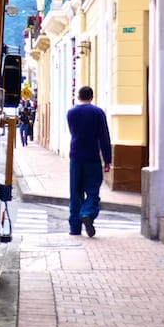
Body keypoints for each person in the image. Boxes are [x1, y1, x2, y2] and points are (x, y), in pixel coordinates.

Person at [66, 86, 112, 237]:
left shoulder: (71, 113)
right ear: (92, 97)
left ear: (78, 97)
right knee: (92, 192)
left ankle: (74, 228)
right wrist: (107, 160)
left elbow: (74, 132)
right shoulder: (98, 113)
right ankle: (87, 213)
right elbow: (104, 137)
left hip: (75, 157)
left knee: (75, 193)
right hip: (92, 158)